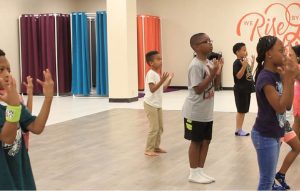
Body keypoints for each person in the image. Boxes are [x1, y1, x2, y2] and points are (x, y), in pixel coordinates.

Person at [0, 49, 54, 190]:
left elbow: (36, 127)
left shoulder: (12, 101)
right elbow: (7, 138)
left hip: (21, 179)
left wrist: (48, 98)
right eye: (1, 70)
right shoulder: (12, 104)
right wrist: (13, 107)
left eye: (8, 69)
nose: (7, 74)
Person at [251, 36, 298, 190]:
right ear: (268, 54)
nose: (284, 54)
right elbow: (280, 107)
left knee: (269, 178)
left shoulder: (278, 74)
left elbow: (288, 105)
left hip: (275, 132)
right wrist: (288, 79)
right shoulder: (265, 77)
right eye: (281, 50)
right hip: (265, 135)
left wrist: (289, 80)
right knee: (266, 181)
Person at [182, 33, 222, 184]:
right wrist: (212, 75)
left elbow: (216, 85)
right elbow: (198, 89)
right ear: (196, 47)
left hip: (206, 112)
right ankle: (193, 172)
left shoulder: (208, 62)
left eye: (210, 40)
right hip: (194, 111)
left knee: (206, 141)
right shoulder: (195, 65)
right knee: (196, 141)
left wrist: (217, 72)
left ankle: (200, 171)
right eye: (206, 41)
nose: (210, 43)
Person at [273, 45, 300, 190]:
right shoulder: (270, 75)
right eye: (284, 53)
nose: (287, 56)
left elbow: (287, 105)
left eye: (290, 54)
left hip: (282, 119)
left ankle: (280, 175)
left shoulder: (288, 71)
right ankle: (270, 179)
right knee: (274, 149)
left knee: (296, 146)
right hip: (274, 122)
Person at [144, 50, 174, 157]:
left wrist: (168, 79)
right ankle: (148, 149)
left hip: (157, 104)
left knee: (160, 127)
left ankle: (156, 147)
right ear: (151, 63)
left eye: (161, 59)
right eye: (158, 59)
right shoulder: (151, 74)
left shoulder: (157, 74)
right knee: (154, 128)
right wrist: (162, 80)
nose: (161, 61)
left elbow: (162, 88)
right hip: (150, 104)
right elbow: (152, 89)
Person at [232, 42, 255, 136]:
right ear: (237, 52)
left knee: (243, 110)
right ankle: (238, 130)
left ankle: (239, 129)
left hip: (246, 89)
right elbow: (238, 76)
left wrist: (252, 63)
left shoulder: (244, 61)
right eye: (244, 50)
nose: (246, 52)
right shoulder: (237, 62)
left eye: (246, 50)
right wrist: (244, 66)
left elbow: (249, 74)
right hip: (240, 90)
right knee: (241, 110)